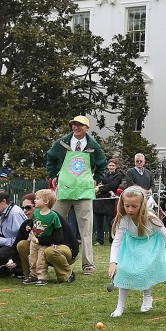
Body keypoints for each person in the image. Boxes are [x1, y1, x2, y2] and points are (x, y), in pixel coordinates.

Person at [46, 115, 107, 276]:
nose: (76, 127)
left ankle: (88, 265)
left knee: (86, 230)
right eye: (73, 125)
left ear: (87, 128)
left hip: (85, 191)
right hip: (64, 190)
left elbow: (102, 164)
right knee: (52, 222)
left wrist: (96, 180)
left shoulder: (93, 146)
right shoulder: (62, 143)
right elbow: (50, 157)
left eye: (79, 125)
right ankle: (45, 259)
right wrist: (52, 175)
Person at [107, 186, 166, 316]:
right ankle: (120, 307)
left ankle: (147, 296)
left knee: (143, 268)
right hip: (130, 244)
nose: (130, 209)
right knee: (123, 271)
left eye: (134, 206)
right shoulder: (124, 220)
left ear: (142, 204)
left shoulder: (151, 218)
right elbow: (116, 241)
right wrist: (113, 262)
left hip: (149, 243)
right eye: (127, 206)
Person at [0, 188, 29, 277]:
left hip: (15, 247)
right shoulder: (2, 212)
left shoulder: (15, 214)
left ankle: (19, 270)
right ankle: (2, 271)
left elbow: (21, 239)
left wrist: (0, 240)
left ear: (3, 201)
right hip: (8, 243)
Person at [27, 188, 63, 284]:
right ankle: (33, 275)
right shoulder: (36, 212)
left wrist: (55, 242)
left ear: (46, 201)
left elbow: (58, 230)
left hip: (44, 243)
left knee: (41, 260)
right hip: (33, 241)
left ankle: (42, 277)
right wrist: (29, 226)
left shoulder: (53, 216)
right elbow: (33, 222)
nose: (35, 200)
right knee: (32, 258)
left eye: (37, 198)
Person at [94, 159, 123, 246]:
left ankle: (112, 239)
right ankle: (99, 240)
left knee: (110, 222)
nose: (111, 167)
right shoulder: (103, 175)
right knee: (98, 222)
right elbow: (99, 183)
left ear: (116, 167)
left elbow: (113, 185)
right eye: (110, 165)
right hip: (99, 201)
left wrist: (100, 188)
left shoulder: (118, 176)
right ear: (107, 166)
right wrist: (105, 187)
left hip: (109, 201)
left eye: (113, 165)